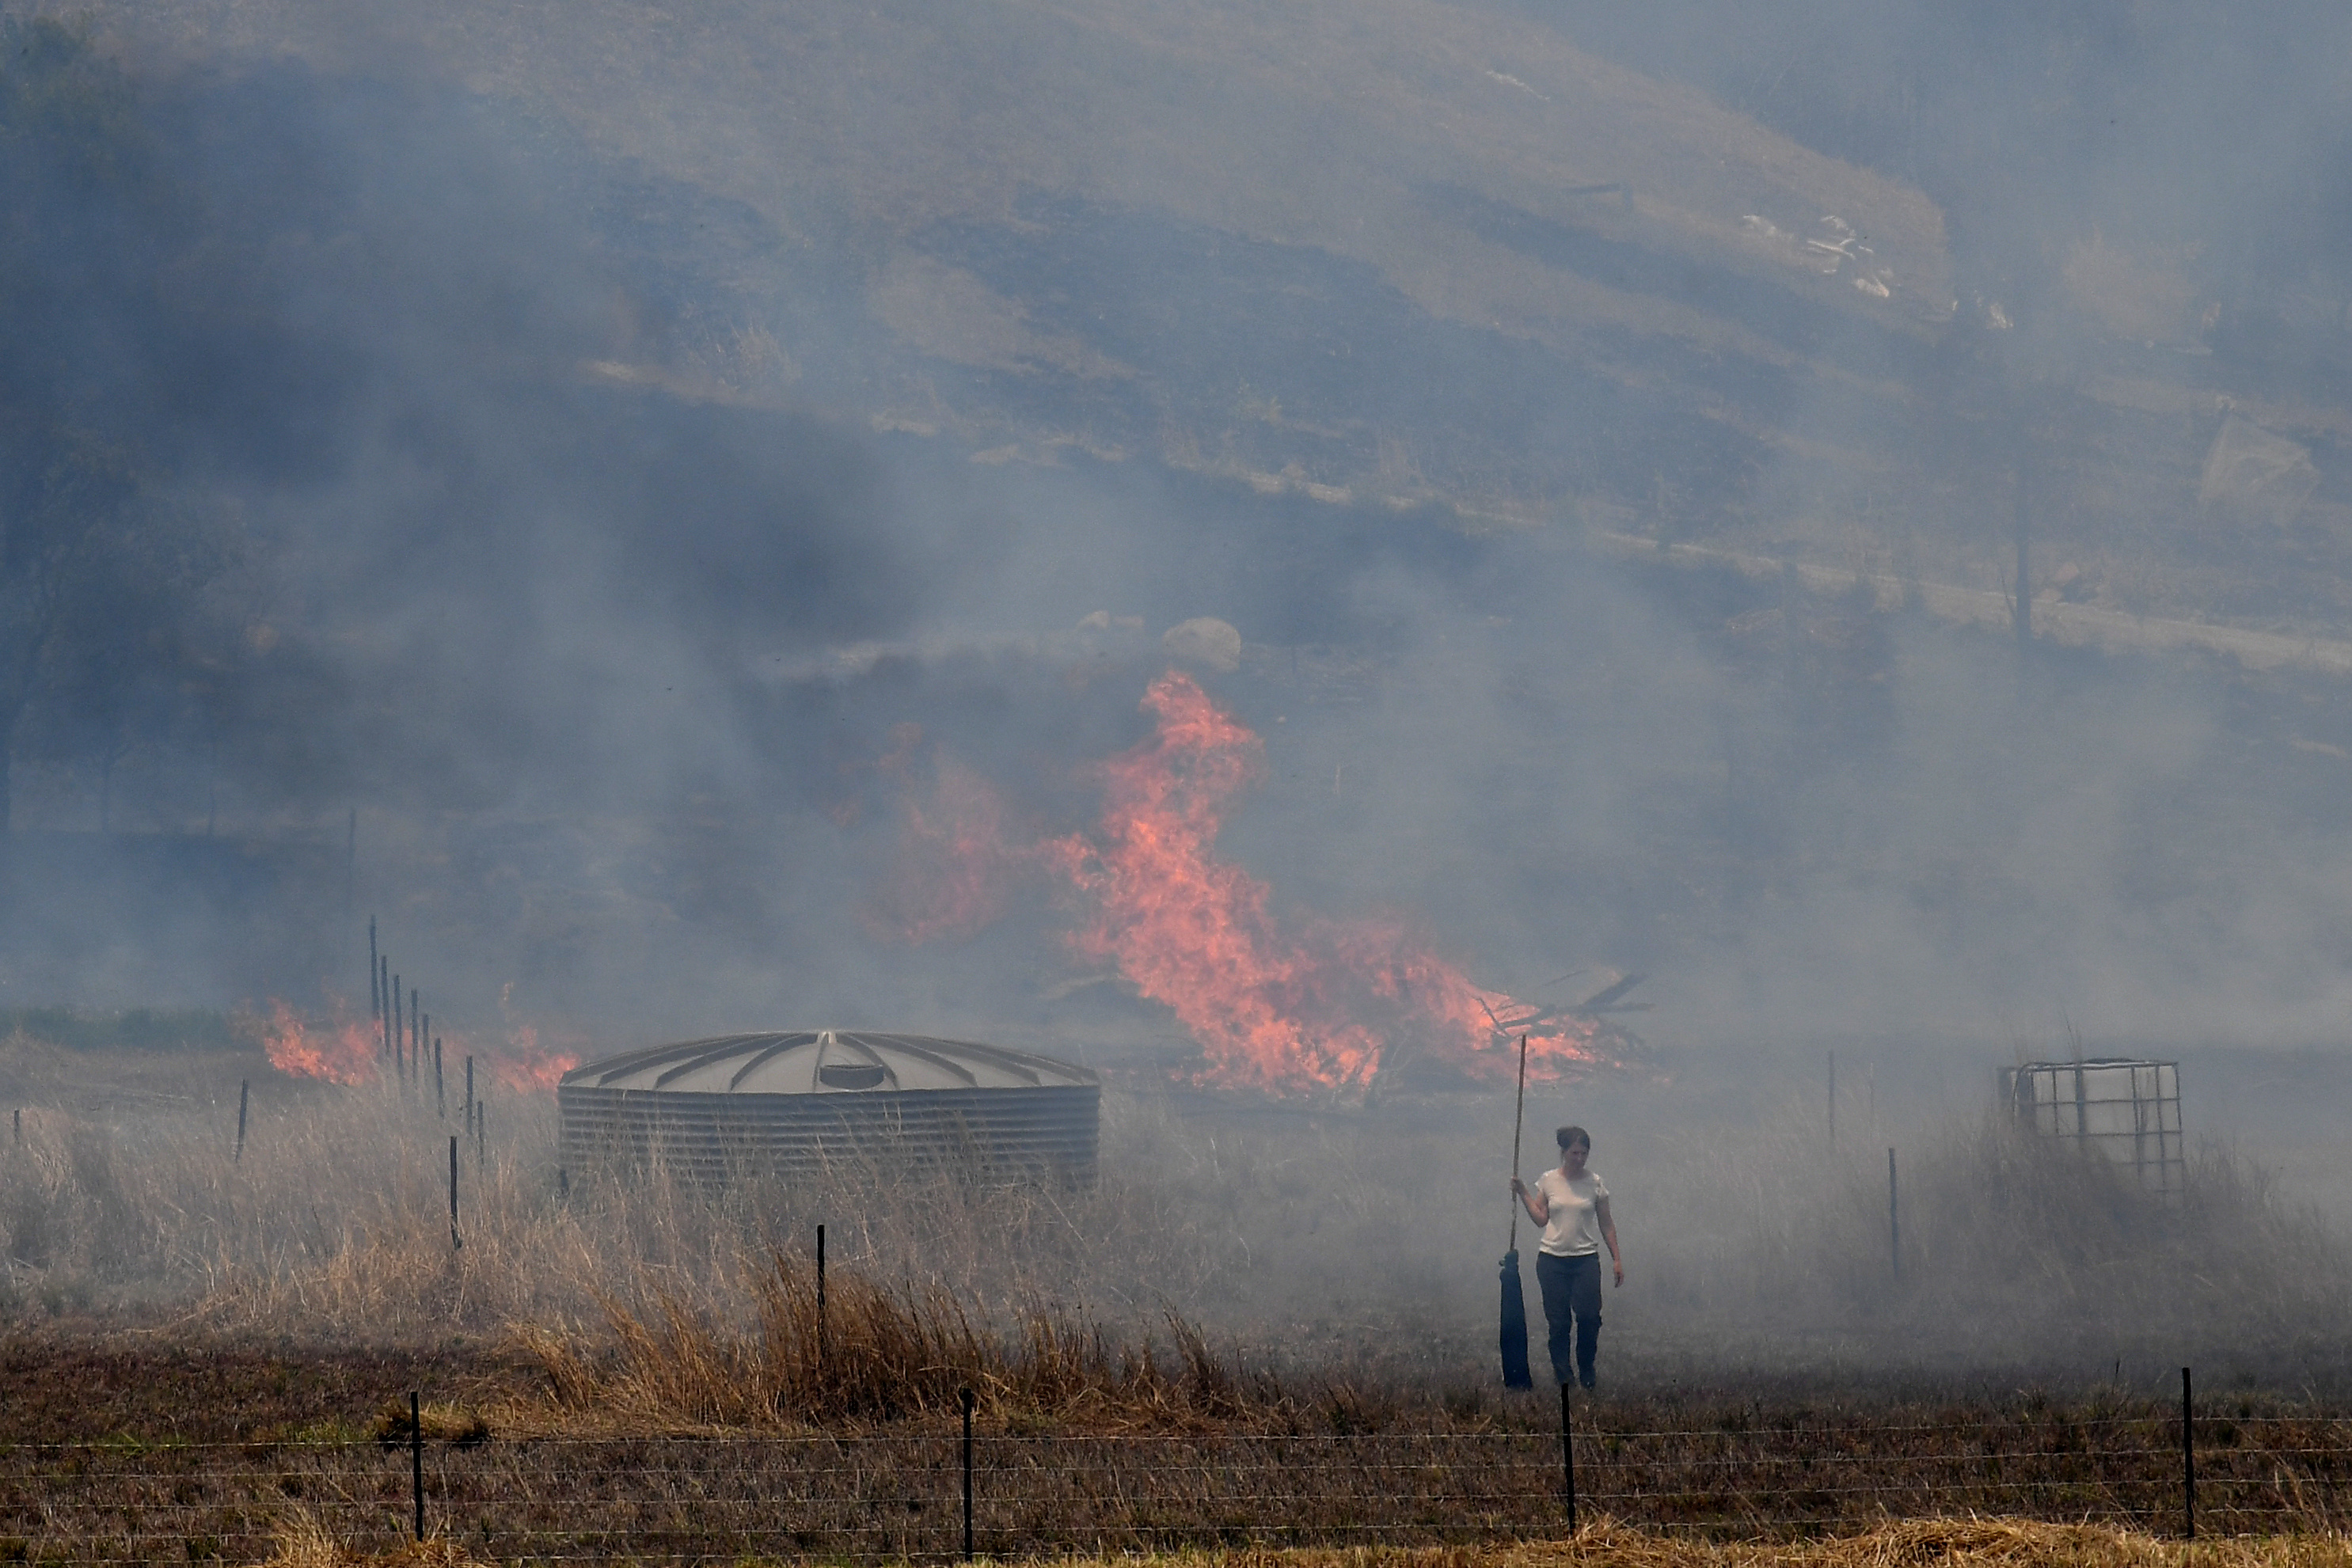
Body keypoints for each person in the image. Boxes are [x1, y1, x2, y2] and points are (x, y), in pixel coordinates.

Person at [1510, 1124, 1622, 1391]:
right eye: (1574, 1153)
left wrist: (1616, 1258)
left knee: (1589, 1317)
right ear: (1563, 1152)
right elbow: (1540, 1218)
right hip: (1552, 1260)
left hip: (1585, 1259)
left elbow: (1607, 1223)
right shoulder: (1549, 1180)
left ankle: (1587, 1369)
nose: (1579, 1159)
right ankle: (1563, 1374)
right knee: (1559, 1322)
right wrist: (1523, 1191)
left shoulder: (1595, 1183)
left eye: (1584, 1154)